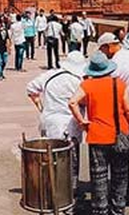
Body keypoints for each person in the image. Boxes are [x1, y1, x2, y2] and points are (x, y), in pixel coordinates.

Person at [69, 52, 129, 215]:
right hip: (119, 134)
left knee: (99, 175)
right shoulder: (119, 84)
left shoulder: (87, 85)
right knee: (120, 175)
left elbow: (72, 102)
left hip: (97, 135)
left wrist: (81, 121)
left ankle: (100, 209)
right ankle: (118, 209)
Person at [26, 51, 88, 193]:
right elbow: (84, 101)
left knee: (49, 158)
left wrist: (41, 107)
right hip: (67, 125)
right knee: (69, 161)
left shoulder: (51, 74)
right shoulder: (77, 82)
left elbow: (31, 88)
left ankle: (50, 189)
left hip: (48, 122)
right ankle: (68, 193)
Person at [98, 33, 129, 205]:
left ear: (109, 46)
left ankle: (124, 194)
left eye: (103, 49)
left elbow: (109, 84)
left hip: (122, 108)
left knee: (121, 150)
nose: (104, 54)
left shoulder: (115, 64)